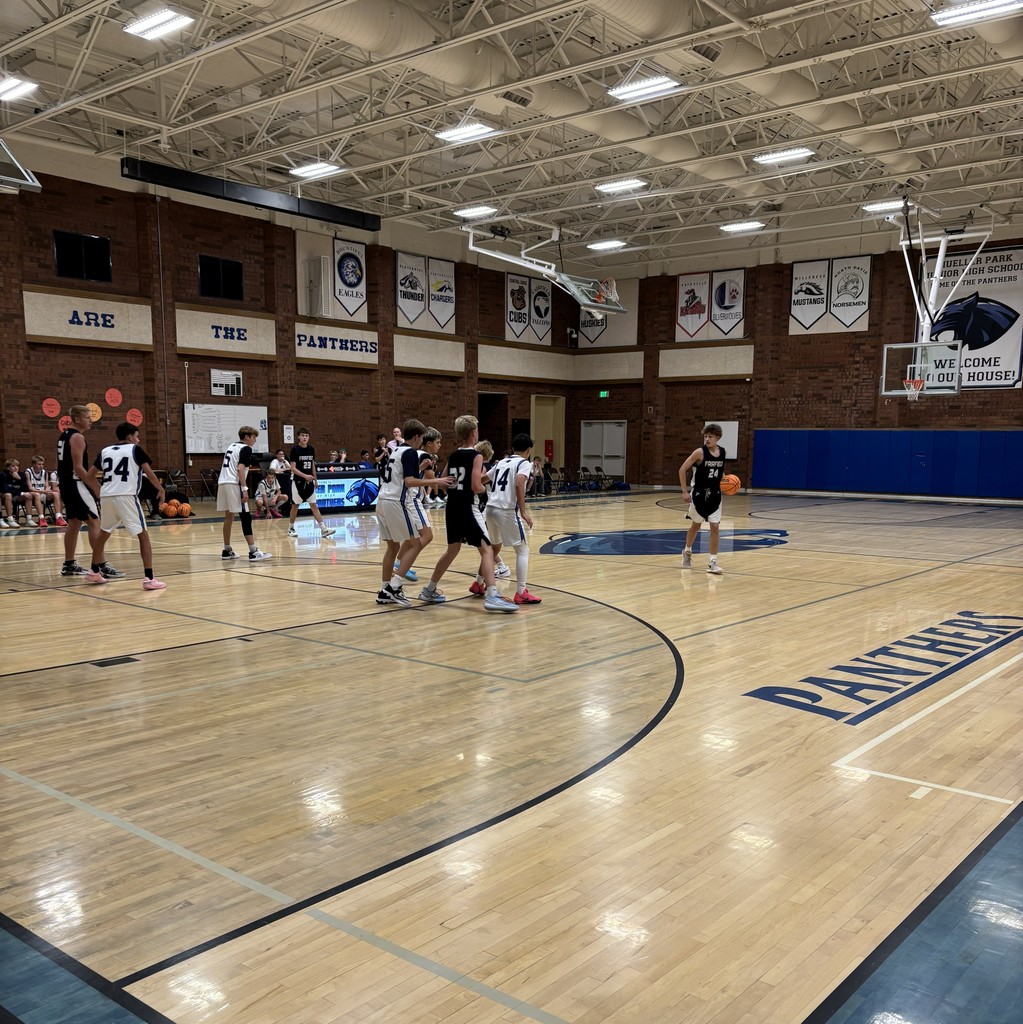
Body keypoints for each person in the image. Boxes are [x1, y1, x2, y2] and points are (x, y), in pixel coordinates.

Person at [418, 415, 517, 612]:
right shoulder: (477, 456)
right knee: (487, 549)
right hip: (468, 507)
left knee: (452, 549)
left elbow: (443, 481)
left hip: (452, 507)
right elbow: (475, 485)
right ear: (474, 433)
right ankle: (492, 595)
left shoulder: (454, 455)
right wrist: (484, 491)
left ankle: (429, 589)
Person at [374, 418, 452, 607]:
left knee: (393, 548)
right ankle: (394, 587)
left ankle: (385, 590)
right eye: (422, 438)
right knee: (416, 543)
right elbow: (408, 482)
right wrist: (436, 481)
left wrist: (420, 468)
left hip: (382, 500)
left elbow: (399, 474)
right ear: (417, 437)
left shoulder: (396, 450)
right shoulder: (409, 451)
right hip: (396, 502)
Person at [84, 422, 167, 589]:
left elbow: (89, 475)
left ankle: (94, 571)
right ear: (130, 437)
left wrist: (99, 490)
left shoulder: (105, 451)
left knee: (104, 532)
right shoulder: (135, 449)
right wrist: (161, 489)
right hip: (126, 496)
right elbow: (149, 473)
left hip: (107, 496)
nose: (138, 439)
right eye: (137, 436)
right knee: (143, 534)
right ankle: (149, 578)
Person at [56, 404, 122, 578]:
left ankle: (69, 564)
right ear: (77, 419)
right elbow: (78, 468)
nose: (91, 420)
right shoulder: (77, 437)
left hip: (66, 484)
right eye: (87, 417)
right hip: (76, 484)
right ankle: (100, 565)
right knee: (94, 523)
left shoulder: (64, 435)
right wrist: (95, 486)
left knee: (74, 522)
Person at [474, 433, 541, 604]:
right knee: (523, 550)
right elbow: (519, 483)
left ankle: (478, 582)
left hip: (491, 508)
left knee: (493, 549)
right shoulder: (524, 463)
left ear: (512, 448)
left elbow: (482, 479)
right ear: (529, 450)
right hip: (506, 510)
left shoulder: (502, 462)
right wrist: (523, 512)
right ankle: (521, 592)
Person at [217, 425, 272, 562]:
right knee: (246, 517)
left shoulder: (231, 446)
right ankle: (253, 551)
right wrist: (245, 489)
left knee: (228, 516)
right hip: (234, 484)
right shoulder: (246, 448)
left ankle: (227, 550)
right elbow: (240, 468)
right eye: (254, 437)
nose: (255, 440)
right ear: (247, 437)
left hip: (223, 482)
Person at [680, 423, 727, 575]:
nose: (707, 439)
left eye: (710, 437)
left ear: (717, 437)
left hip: (715, 494)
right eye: (705, 436)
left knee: (715, 527)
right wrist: (685, 492)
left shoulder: (722, 452)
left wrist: (727, 481)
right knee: (696, 525)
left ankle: (713, 562)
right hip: (699, 495)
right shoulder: (699, 452)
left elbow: (720, 471)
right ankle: (687, 551)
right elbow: (682, 469)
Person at [287, 428, 336, 539]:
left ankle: (323, 529)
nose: (305, 437)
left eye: (306, 435)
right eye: (302, 435)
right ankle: (291, 528)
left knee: (314, 505)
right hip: (298, 481)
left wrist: (315, 480)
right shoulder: (295, 449)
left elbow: (312, 464)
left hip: (309, 482)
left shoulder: (311, 449)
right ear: (298, 437)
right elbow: (292, 468)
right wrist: (305, 476)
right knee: (295, 505)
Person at [474, 439, 511, 580]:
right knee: (485, 541)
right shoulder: (495, 466)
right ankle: (498, 566)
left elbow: (478, 483)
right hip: (493, 504)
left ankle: (500, 566)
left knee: (485, 541)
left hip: (486, 504)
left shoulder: (483, 467)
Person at [26, 455, 67, 526]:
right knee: (37, 494)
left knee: (56, 493)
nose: (41, 466)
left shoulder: (44, 472)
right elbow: (30, 488)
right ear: (33, 464)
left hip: (42, 494)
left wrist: (47, 490)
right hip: (32, 495)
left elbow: (46, 486)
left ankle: (58, 518)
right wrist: (43, 491)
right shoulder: (28, 472)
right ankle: (41, 518)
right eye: (39, 464)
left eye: (42, 464)